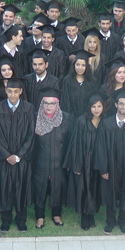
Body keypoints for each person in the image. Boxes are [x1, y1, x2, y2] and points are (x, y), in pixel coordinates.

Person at [0, 78, 36, 233]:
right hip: (4, 159)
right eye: (10, 91)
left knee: (21, 188)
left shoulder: (29, 108)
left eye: (16, 91)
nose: (12, 94)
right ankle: (6, 220)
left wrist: (19, 155)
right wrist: (7, 155)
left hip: (21, 159)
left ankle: (21, 220)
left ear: (21, 91)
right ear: (5, 90)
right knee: (4, 189)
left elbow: (31, 134)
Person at [95, 89, 125, 234]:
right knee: (111, 192)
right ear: (116, 104)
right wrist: (103, 168)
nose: (123, 107)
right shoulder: (106, 123)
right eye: (121, 103)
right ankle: (110, 221)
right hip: (111, 166)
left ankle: (123, 222)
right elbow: (101, 147)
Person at [63, 92, 107, 230]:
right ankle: (84, 216)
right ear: (89, 107)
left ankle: (91, 214)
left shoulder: (105, 122)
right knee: (84, 188)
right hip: (84, 161)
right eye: (93, 106)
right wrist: (77, 164)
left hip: (98, 162)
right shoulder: (81, 121)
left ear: (103, 107)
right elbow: (75, 143)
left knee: (95, 188)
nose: (96, 109)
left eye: (99, 106)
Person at [32, 87, 73, 229]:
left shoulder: (65, 118)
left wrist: (67, 162)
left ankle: (57, 214)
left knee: (57, 187)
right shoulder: (35, 118)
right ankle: (40, 216)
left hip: (58, 163)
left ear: (57, 104)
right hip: (40, 162)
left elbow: (70, 142)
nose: (49, 106)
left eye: (52, 103)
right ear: (42, 103)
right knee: (39, 188)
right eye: (46, 103)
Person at [60, 50, 98, 118]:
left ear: (87, 66)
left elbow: (93, 102)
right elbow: (65, 102)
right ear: (74, 65)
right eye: (78, 65)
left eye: (83, 65)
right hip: (70, 118)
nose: (80, 68)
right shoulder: (67, 81)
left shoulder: (92, 82)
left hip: (87, 118)